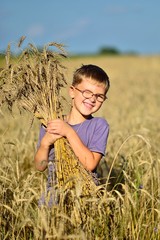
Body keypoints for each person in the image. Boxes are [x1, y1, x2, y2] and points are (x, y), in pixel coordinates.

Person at [34, 64, 110, 206]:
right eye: (87, 92)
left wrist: (68, 132)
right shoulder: (51, 123)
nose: (92, 99)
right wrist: (45, 144)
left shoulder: (99, 125)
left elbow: (90, 164)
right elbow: (40, 166)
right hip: (52, 199)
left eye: (99, 96)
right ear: (72, 91)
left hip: (85, 199)